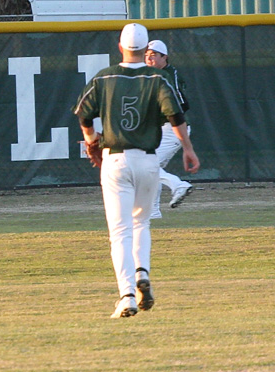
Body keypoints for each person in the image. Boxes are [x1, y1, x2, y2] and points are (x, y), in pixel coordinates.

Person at [72, 23, 199, 318]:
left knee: (120, 232)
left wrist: (91, 140)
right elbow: (176, 115)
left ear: (120, 47)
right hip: (148, 160)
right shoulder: (157, 77)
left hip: (115, 159)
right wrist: (189, 149)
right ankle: (143, 271)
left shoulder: (105, 77)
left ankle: (127, 295)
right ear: (145, 50)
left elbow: (83, 112)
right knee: (141, 223)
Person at [145, 39, 193, 217]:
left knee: (147, 165)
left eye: (153, 56)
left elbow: (182, 104)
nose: (149, 59)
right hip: (160, 128)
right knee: (152, 168)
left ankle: (178, 185)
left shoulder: (168, 75)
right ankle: (153, 211)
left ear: (164, 57)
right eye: (146, 56)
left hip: (172, 129)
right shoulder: (151, 74)